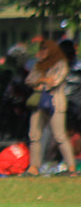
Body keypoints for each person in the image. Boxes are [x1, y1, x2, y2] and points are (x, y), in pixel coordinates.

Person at [23, 39, 77, 176]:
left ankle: (71, 168)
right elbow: (29, 80)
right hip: (39, 103)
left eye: (45, 49)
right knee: (34, 135)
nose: (42, 52)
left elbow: (55, 81)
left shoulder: (61, 63)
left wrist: (41, 80)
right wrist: (42, 80)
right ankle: (34, 167)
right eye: (41, 49)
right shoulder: (39, 65)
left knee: (59, 136)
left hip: (55, 103)